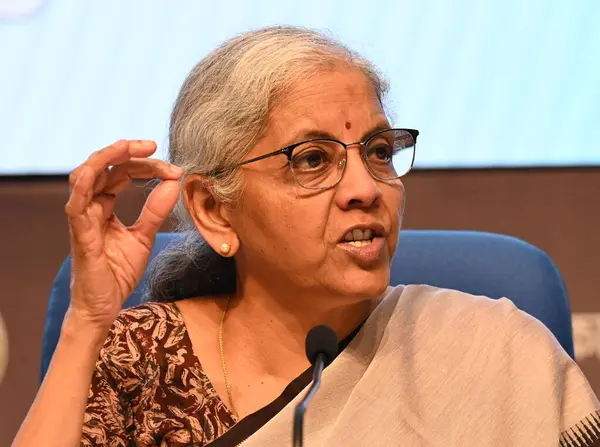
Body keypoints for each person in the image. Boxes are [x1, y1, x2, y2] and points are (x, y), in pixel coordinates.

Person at [12, 26, 600, 447]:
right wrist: (88, 319)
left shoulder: (492, 346)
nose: (365, 188)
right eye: (312, 160)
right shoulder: (137, 358)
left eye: (377, 151)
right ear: (215, 211)